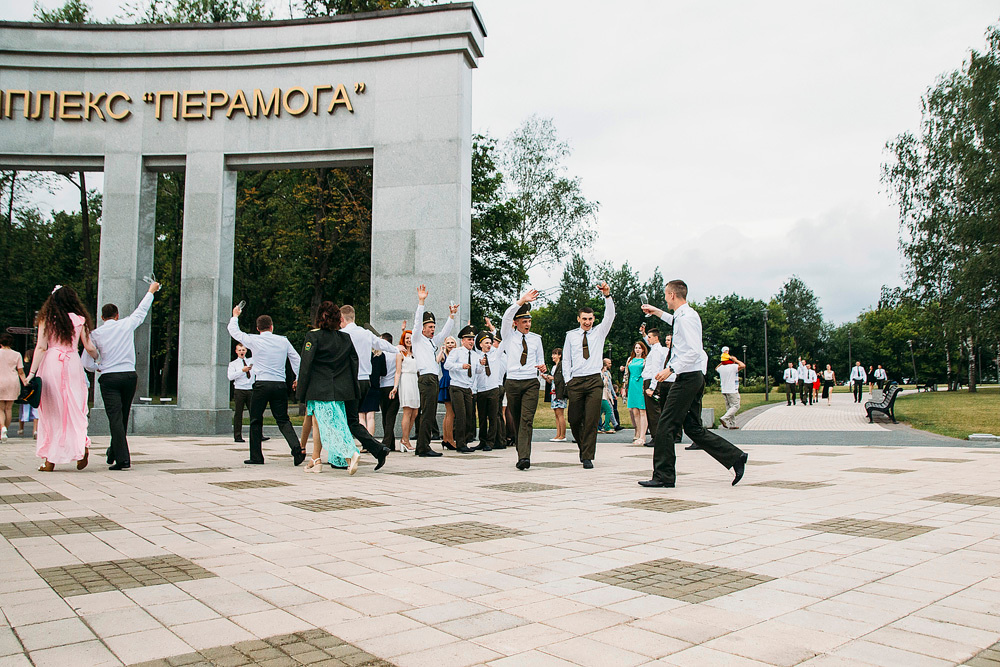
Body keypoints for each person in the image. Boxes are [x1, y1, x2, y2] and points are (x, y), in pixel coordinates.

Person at [639, 280, 748, 488]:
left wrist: (670, 369)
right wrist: (656, 312)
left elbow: (693, 351)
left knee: (665, 425)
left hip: (687, 378)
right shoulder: (684, 315)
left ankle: (663, 476)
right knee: (693, 428)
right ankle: (736, 457)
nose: (665, 298)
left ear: (672, 295)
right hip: (692, 377)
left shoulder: (686, 318)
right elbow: (674, 321)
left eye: (665, 294)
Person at [295, 301, 390, 474]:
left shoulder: (313, 336)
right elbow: (353, 363)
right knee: (324, 422)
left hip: (320, 389)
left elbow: (306, 366)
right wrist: (352, 389)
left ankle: (348, 454)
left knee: (328, 424)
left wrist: (301, 391)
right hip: (343, 389)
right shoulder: (345, 338)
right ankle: (316, 459)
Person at [26, 285, 99, 472]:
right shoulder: (80, 319)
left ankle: (50, 460)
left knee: (52, 410)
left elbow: (41, 347)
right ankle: (82, 445)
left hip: (52, 363)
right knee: (75, 407)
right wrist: (98, 359)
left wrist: (32, 373)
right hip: (72, 362)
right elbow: (89, 347)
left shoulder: (47, 319)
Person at [91, 279, 160, 470]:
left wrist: (97, 366)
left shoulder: (95, 334)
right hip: (129, 376)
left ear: (102, 317)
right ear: (117, 315)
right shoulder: (126, 324)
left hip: (109, 377)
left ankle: (123, 459)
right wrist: (151, 291)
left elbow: (87, 360)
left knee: (115, 418)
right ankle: (113, 452)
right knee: (122, 417)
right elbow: (141, 311)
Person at [228, 305, 304, 466]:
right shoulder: (283, 340)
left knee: (256, 419)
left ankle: (256, 456)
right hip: (279, 385)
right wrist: (298, 377)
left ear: (258, 328)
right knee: (283, 419)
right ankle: (297, 449)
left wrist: (235, 315)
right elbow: (296, 359)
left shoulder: (254, 340)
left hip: (262, 384)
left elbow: (234, 332)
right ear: (271, 327)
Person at [562, 281, 615, 469]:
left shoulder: (599, 333)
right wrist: (568, 380)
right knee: (574, 419)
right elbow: (566, 359)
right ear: (579, 319)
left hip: (594, 381)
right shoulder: (571, 335)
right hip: (575, 381)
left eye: (590, 319)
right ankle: (582, 447)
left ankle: (587, 456)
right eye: (584, 319)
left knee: (591, 420)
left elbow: (610, 316)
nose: (587, 322)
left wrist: (607, 296)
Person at [499, 290, 546, 470]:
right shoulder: (508, 335)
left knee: (527, 419)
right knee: (518, 419)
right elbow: (506, 317)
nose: (528, 324)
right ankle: (521, 450)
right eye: (524, 322)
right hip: (513, 382)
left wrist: (542, 367)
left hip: (530, 382)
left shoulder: (536, 339)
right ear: (516, 323)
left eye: (529, 321)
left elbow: (540, 360)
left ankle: (524, 457)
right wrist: (521, 301)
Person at [412, 285, 457, 457]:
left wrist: (451, 316)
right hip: (426, 378)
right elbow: (417, 322)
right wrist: (421, 302)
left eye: (433, 326)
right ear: (423, 328)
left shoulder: (431, 341)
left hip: (432, 378)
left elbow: (445, 333)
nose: (432, 330)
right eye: (430, 327)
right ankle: (423, 447)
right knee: (427, 414)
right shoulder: (417, 338)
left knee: (429, 414)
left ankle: (422, 446)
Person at [338, 305, 399, 434]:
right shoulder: (366, 333)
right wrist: (396, 349)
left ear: (342, 318)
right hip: (365, 380)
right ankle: (369, 441)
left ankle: (364, 443)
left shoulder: (342, 334)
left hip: (350, 380)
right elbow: (381, 343)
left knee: (350, 418)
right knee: (357, 417)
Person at [444, 325, 480, 453]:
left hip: (468, 387)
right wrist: (461, 366)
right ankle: (460, 443)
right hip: (457, 386)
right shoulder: (456, 352)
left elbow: (477, 372)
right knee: (461, 415)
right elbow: (447, 365)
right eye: (469, 339)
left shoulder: (475, 355)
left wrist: (482, 365)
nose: (471, 342)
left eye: (473, 339)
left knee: (469, 415)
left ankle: (465, 440)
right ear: (463, 340)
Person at [473, 331, 504, 451]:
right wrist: (480, 364)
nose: (489, 345)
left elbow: (504, 342)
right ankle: (482, 440)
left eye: (490, 343)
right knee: (482, 417)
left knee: (492, 417)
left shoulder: (496, 354)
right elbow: (476, 372)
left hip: (493, 389)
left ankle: (490, 442)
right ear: (480, 344)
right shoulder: (476, 356)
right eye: (486, 343)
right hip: (481, 390)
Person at [390, 329, 419, 452]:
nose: (409, 340)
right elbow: (397, 372)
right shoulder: (400, 353)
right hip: (406, 380)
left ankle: (405, 438)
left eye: (411, 338)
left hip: (415, 380)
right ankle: (405, 440)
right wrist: (395, 387)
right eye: (407, 338)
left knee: (415, 412)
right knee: (407, 411)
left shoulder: (416, 353)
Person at [0, 333, 28, 443]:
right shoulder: (17, 354)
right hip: (12, 381)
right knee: (8, 408)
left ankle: (2, 428)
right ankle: (4, 431)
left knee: (0, 408)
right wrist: (25, 381)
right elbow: (20, 371)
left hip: (0, 381)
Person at [228, 343, 255, 443]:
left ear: (246, 351)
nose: (241, 352)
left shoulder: (251, 361)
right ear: (236, 351)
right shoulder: (233, 364)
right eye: (239, 350)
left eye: (243, 350)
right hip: (239, 390)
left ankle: (258, 435)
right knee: (238, 414)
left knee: (254, 413)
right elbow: (230, 377)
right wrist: (242, 371)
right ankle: (237, 436)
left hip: (250, 389)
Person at [378, 332, 400, 451]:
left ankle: (387, 442)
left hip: (382, 386)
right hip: (393, 385)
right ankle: (389, 442)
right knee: (391, 416)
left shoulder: (380, 354)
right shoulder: (396, 353)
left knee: (385, 415)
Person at [625, 341, 649, 444]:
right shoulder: (630, 360)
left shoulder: (645, 360)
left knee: (642, 410)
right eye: (636, 348)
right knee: (634, 411)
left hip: (641, 384)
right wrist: (624, 387)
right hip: (632, 384)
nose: (637, 350)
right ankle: (638, 432)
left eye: (639, 348)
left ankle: (643, 435)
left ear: (643, 349)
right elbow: (626, 374)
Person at [436, 336, 458, 450]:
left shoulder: (457, 354)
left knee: (448, 413)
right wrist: (441, 351)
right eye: (448, 343)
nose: (450, 344)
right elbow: (437, 360)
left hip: (455, 381)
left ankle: (446, 439)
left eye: (452, 342)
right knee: (451, 413)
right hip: (447, 382)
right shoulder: (444, 355)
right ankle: (449, 440)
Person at [716, 348, 746, 429]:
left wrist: (722, 361)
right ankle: (724, 418)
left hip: (724, 390)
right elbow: (743, 365)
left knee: (730, 408)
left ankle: (732, 424)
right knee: (736, 406)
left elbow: (716, 368)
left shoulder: (721, 368)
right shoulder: (733, 366)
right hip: (732, 390)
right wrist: (736, 360)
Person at [542, 347, 567, 442]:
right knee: (556, 414)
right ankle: (558, 434)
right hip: (553, 392)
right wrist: (546, 378)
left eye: (555, 354)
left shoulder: (562, 366)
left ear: (560, 355)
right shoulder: (553, 367)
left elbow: (563, 379)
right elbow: (551, 381)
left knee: (560, 413)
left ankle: (563, 435)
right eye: (553, 354)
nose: (553, 356)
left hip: (560, 392)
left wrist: (554, 378)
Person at [600, 359, 617, 434]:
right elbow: (602, 385)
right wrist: (605, 380)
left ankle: (598, 426)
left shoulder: (605, 374)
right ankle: (606, 426)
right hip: (602, 396)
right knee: (609, 410)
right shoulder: (601, 375)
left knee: (600, 412)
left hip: (605, 395)